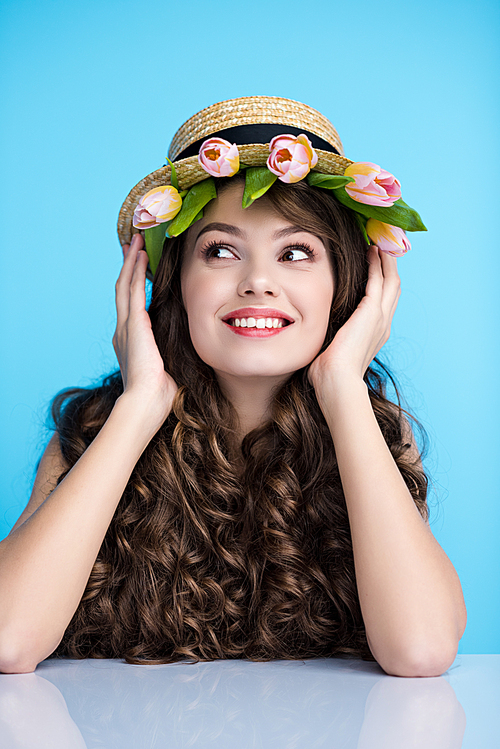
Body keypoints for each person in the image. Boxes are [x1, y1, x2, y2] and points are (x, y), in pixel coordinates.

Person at [0, 96, 466, 676]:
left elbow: (420, 650)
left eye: (296, 252)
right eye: (220, 251)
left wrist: (343, 386)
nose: (258, 283)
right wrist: (139, 405)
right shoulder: (97, 428)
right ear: (173, 284)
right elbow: (7, 639)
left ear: (345, 287)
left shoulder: (375, 431)